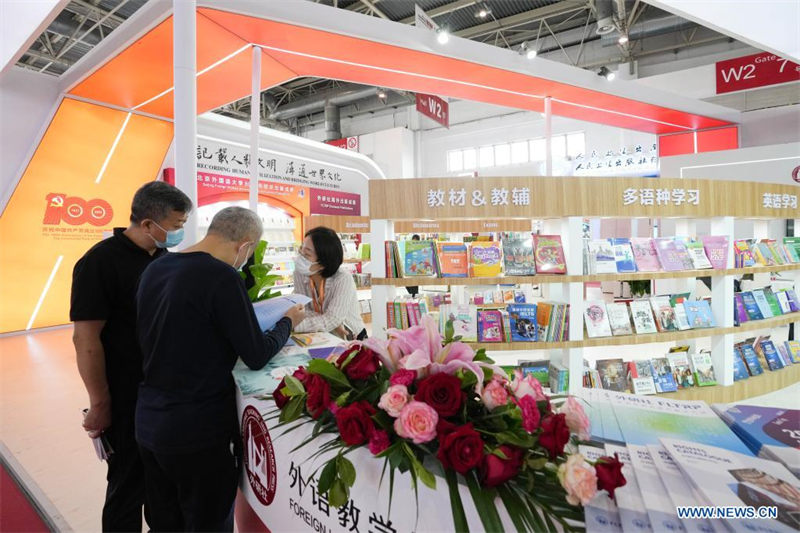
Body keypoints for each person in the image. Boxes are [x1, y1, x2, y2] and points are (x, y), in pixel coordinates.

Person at [134, 206, 304, 532]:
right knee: (207, 522)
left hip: (149, 421)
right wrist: (287, 322)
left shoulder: (156, 268)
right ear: (245, 246)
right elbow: (256, 354)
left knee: (164, 522)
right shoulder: (222, 277)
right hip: (197, 430)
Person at [70, 181, 192, 532]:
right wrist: (100, 401)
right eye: (175, 225)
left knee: (162, 486)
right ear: (148, 224)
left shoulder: (165, 261)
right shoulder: (100, 262)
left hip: (165, 394)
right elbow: (86, 338)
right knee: (126, 483)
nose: (179, 231)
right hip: (125, 393)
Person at [293, 226, 366, 340]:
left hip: (350, 336)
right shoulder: (299, 273)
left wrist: (294, 326)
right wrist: (331, 323)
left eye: (307, 255)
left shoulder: (343, 279)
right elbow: (303, 310)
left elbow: (332, 318)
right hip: (322, 335)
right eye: (301, 250)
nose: (300, 258)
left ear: (323, 262)